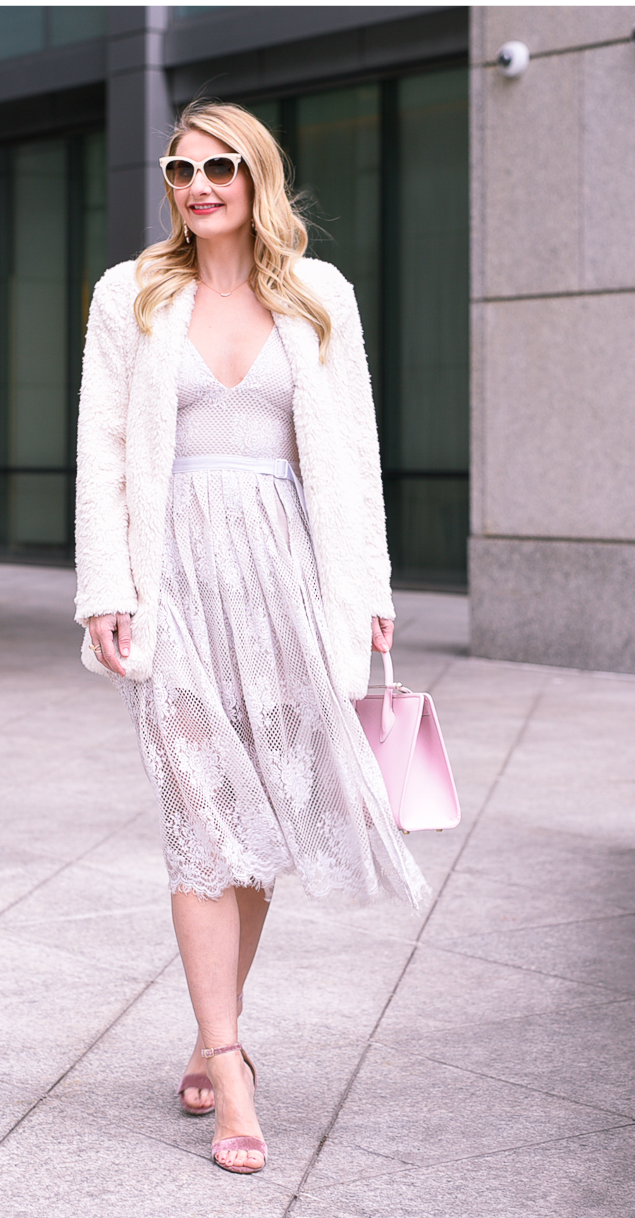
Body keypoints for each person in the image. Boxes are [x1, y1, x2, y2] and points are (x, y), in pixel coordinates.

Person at [73, 100, 428, 1175]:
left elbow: (354, 452)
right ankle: (230, 1061)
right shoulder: (131, 294)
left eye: (221, 165)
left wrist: (368, 587)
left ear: (257, 176)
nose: (199, 184)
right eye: (182, 168)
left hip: (288, 579)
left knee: (264, 813)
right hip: (176, 576)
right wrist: (106, 587)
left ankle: (205, 1022)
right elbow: (100, 445)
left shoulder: (319, 296)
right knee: (198, 814)